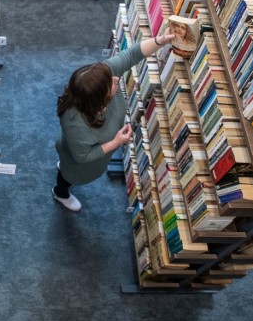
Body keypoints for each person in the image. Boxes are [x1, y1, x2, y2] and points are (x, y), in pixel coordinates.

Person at [53, 31, 175, 212]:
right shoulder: (75, 123)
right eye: (112, 84)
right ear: (98, 99)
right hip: (79, 159)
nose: (116, 78)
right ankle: (60, 192)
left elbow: (131, 54)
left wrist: (159, 41)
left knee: (67, 163)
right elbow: (83, 157)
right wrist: (116, 142)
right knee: (68, 175)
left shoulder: (101, 77)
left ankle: (63, 167)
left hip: (82, 146)